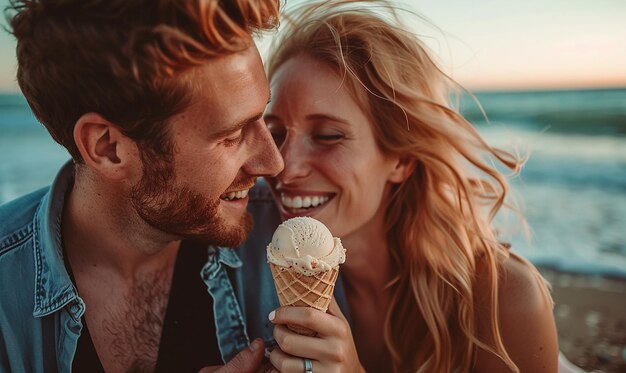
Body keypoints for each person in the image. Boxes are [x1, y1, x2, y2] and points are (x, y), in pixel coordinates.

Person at [234, 1, 559, 372]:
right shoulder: (248, 256)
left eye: (328, 135)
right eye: (275, 133)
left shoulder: (504, 303)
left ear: (402, 158)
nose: (283, 167)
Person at [0, 0, 284, 372]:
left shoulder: (283, 237)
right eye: (231, 136)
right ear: (108, 148)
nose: (273, 163)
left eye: (263, 116)